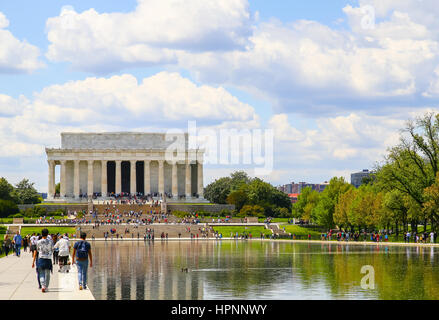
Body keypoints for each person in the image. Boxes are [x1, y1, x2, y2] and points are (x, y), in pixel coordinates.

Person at [32, 228, 54, 293]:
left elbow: (38, 250)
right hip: (48, 258)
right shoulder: (50, 241)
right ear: (47, 234)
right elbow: (52, 250)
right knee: (47, 274)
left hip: (41, 258)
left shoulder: (38, 242)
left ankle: (43, 285)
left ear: (42, 234)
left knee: (41, 273)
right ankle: (46, 286)